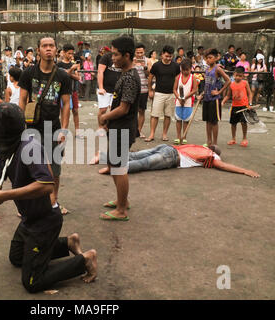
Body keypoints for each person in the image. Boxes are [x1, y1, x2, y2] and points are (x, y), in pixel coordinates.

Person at [0, 103, 97, 293]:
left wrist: (4, 195)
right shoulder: (7, 146)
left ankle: (85, 260)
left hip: (45, 220)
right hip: (29, 217)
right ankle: (69, 243)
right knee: (16, 257)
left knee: (32, 281)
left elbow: (46, 185)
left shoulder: (30, 147)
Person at [18, 36, 72, 215]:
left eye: (51, 46)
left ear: (56, 50)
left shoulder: (63, 76)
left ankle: (53, 201)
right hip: (32, 128)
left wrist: (64, 129)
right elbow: (22, 100)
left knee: (54, 168)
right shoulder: (28, 73)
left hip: (54, 128)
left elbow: (66, 105)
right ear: (38, 50)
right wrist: (20, 126)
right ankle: (28, 205)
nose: (48, 49)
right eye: (44, 46)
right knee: (31, 166)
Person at [97, 36, 141, 222]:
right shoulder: (125, 73)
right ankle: (121, 200)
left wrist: (104, 117)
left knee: (119, 167)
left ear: (127, 55)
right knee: (114, 165)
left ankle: (122, 209)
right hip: (117, 127)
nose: (112, 58)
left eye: (115, 55)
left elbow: (124, 108)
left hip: (123, 127)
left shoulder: (130, 77)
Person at [98, 144, 259, 178]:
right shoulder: (213, 156)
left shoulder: (199, 146)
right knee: (143, 164)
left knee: (135, 155)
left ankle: (104, 157)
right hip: (173, 157)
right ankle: (113, 169)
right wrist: (245, 170)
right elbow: (223, 165)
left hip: (168, 148)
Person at [146, 45, 180, 142]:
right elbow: (150, 78)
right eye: (166, 56)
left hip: (171, 94)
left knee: (168, 115)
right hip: (158, 93)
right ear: (162, 55)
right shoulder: (156, 65)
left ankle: (164, 134)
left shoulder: (176, 66)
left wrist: (177, 93)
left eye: (170, 56)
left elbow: (178, 79)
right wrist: (150, 90)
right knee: (154, 114)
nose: (168, 58)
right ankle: (152, 134)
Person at [202, 48, 231, 147]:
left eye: (210, 58)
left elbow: (228, 80)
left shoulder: (218, 69)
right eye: (207, 58)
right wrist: (203, 93)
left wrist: (219, 91)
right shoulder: (206, 70)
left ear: (216, 58)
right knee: (207, 121)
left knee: (214, 121)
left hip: (214, 100)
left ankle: (214, 143)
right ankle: (208, 141)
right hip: (206, 98)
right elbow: (207, 83)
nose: (208, 60)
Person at [221, 66, 253, 147]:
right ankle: (233, 138)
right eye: (236, 75)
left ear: (243, 76)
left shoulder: (245, 83)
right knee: (233, 123)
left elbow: (250, 94)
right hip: (235, 106)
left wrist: (250, 104)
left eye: (240, 76)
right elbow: (228, 96)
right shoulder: (231, 85)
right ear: (234, 75)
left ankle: (244, 138)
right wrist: (223, 101)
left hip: (244, 106)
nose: (238, 77)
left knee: (243, 123)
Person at [57, 44, 82, 138]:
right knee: (63, 111)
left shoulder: (73, 64)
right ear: (63, 53)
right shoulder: (59, 64)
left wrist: (70, 72)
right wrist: (71, 70)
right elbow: (60, 76)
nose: (71, 55)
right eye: (69, 53)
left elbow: (78, 77)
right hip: (62, 91)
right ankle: (64, 131)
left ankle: (78, 132)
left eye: (72, 53)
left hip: (73, 90)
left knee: (75, 111)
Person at [96, 44, 122, 133]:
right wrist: (101, 87)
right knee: (103, 109)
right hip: (105, 88)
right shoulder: (106, 57)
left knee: (114, 110)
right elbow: (100, 71)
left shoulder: (122, 58)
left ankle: (108, 126)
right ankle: (100, 127)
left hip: (116, 89)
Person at [173, 58, 198, 145]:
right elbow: (174, 89)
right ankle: (178, 136)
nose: (185, 72)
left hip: (188, 101)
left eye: (187, 70)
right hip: (178, 101)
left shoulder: (193, 78)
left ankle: (184, 137)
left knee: (186, 120)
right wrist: (179, 98)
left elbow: (195, 90)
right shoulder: (178, 77)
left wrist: (185, 97)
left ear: (191, 68)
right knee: (178, 119)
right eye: (183, 70)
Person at [133, 43, 150, 138]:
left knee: (141, 111)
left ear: (144, 52)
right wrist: (133, 64)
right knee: (131, 111)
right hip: (132, 89)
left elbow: (150, 74)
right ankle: (132, 130)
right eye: (137, 52)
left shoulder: (147, 61)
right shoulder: (131, 60)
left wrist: (145, 67)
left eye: (141, 52)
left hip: (143, 89)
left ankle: (139, 131)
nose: (139, 55)